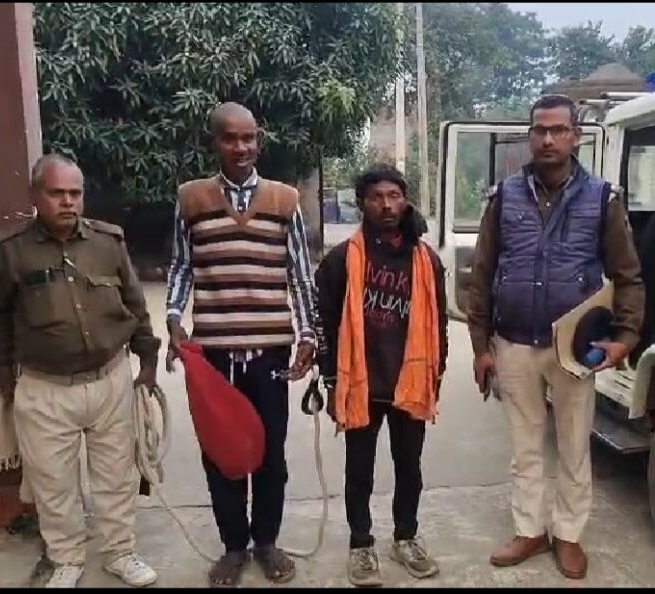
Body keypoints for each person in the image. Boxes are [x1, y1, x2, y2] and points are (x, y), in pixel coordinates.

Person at [467, 94, 645, 580]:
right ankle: (529, 530)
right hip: (514, 342)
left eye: (558, 130)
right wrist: (481, 346)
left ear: (576, 136)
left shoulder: (602, 199)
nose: (548, 139)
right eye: (540, 130)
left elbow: (627, 276)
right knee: (525, 446)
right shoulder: (504, 197)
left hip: (574, 348)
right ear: (530, 136)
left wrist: (625, 337)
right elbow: (482, 275)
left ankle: (568, 534)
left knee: (573, 446)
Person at [0, 153, 161, 588]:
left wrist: (148, 361)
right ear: (35, 195)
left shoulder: (107, 242)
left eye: (75, 193)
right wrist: (7, 381)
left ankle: (120, 553)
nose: (68, 202)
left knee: (116, 476)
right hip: (44, 386)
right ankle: (66, 558)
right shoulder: (9, 250)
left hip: (109, 379)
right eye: (57, 193)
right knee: (53, 482)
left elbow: (135, 303)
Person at [165, 102, 317, 587]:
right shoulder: (191, 198)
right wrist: (173, 318)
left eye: (249, 137)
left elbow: (300, 274)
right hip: (214, 354)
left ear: (259, 141)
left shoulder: (284, 200)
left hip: (270, 352)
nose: (241, 147)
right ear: (215, 142)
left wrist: (308, 334)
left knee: (271, 453)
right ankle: (233, 547)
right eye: (230, 138)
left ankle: (266, 542)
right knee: (222, 453)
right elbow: (182, 266)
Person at [315, 164, 448, 587]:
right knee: (359, 471)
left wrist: (436, 376)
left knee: (410, 468)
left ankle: (405, 537)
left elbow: (439, 323)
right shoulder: (342, 260)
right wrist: (330, 382)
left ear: (405, 199)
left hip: (409, 383)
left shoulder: (426, 260)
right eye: (376, 197)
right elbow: (325, 323)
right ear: (362, 204)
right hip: (361, 385)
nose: (386, 205)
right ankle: (361, 544)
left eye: (394, 195)